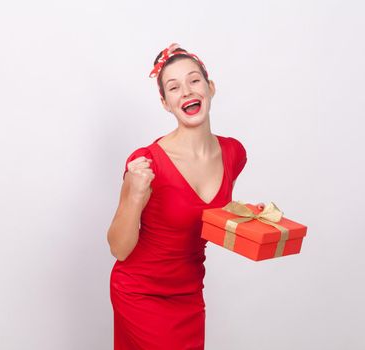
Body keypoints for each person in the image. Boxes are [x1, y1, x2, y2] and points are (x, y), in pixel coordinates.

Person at [107, 43, 263, 350]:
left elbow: (202, 213)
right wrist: (135, 194)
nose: (186, 92)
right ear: (166, 103)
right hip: (141, 292)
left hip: (190, 294)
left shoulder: (234, 153)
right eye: (174, 87)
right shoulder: (146, 162)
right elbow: (119, 248)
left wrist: (249, 217)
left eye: (194, 81)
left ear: (210, 88)